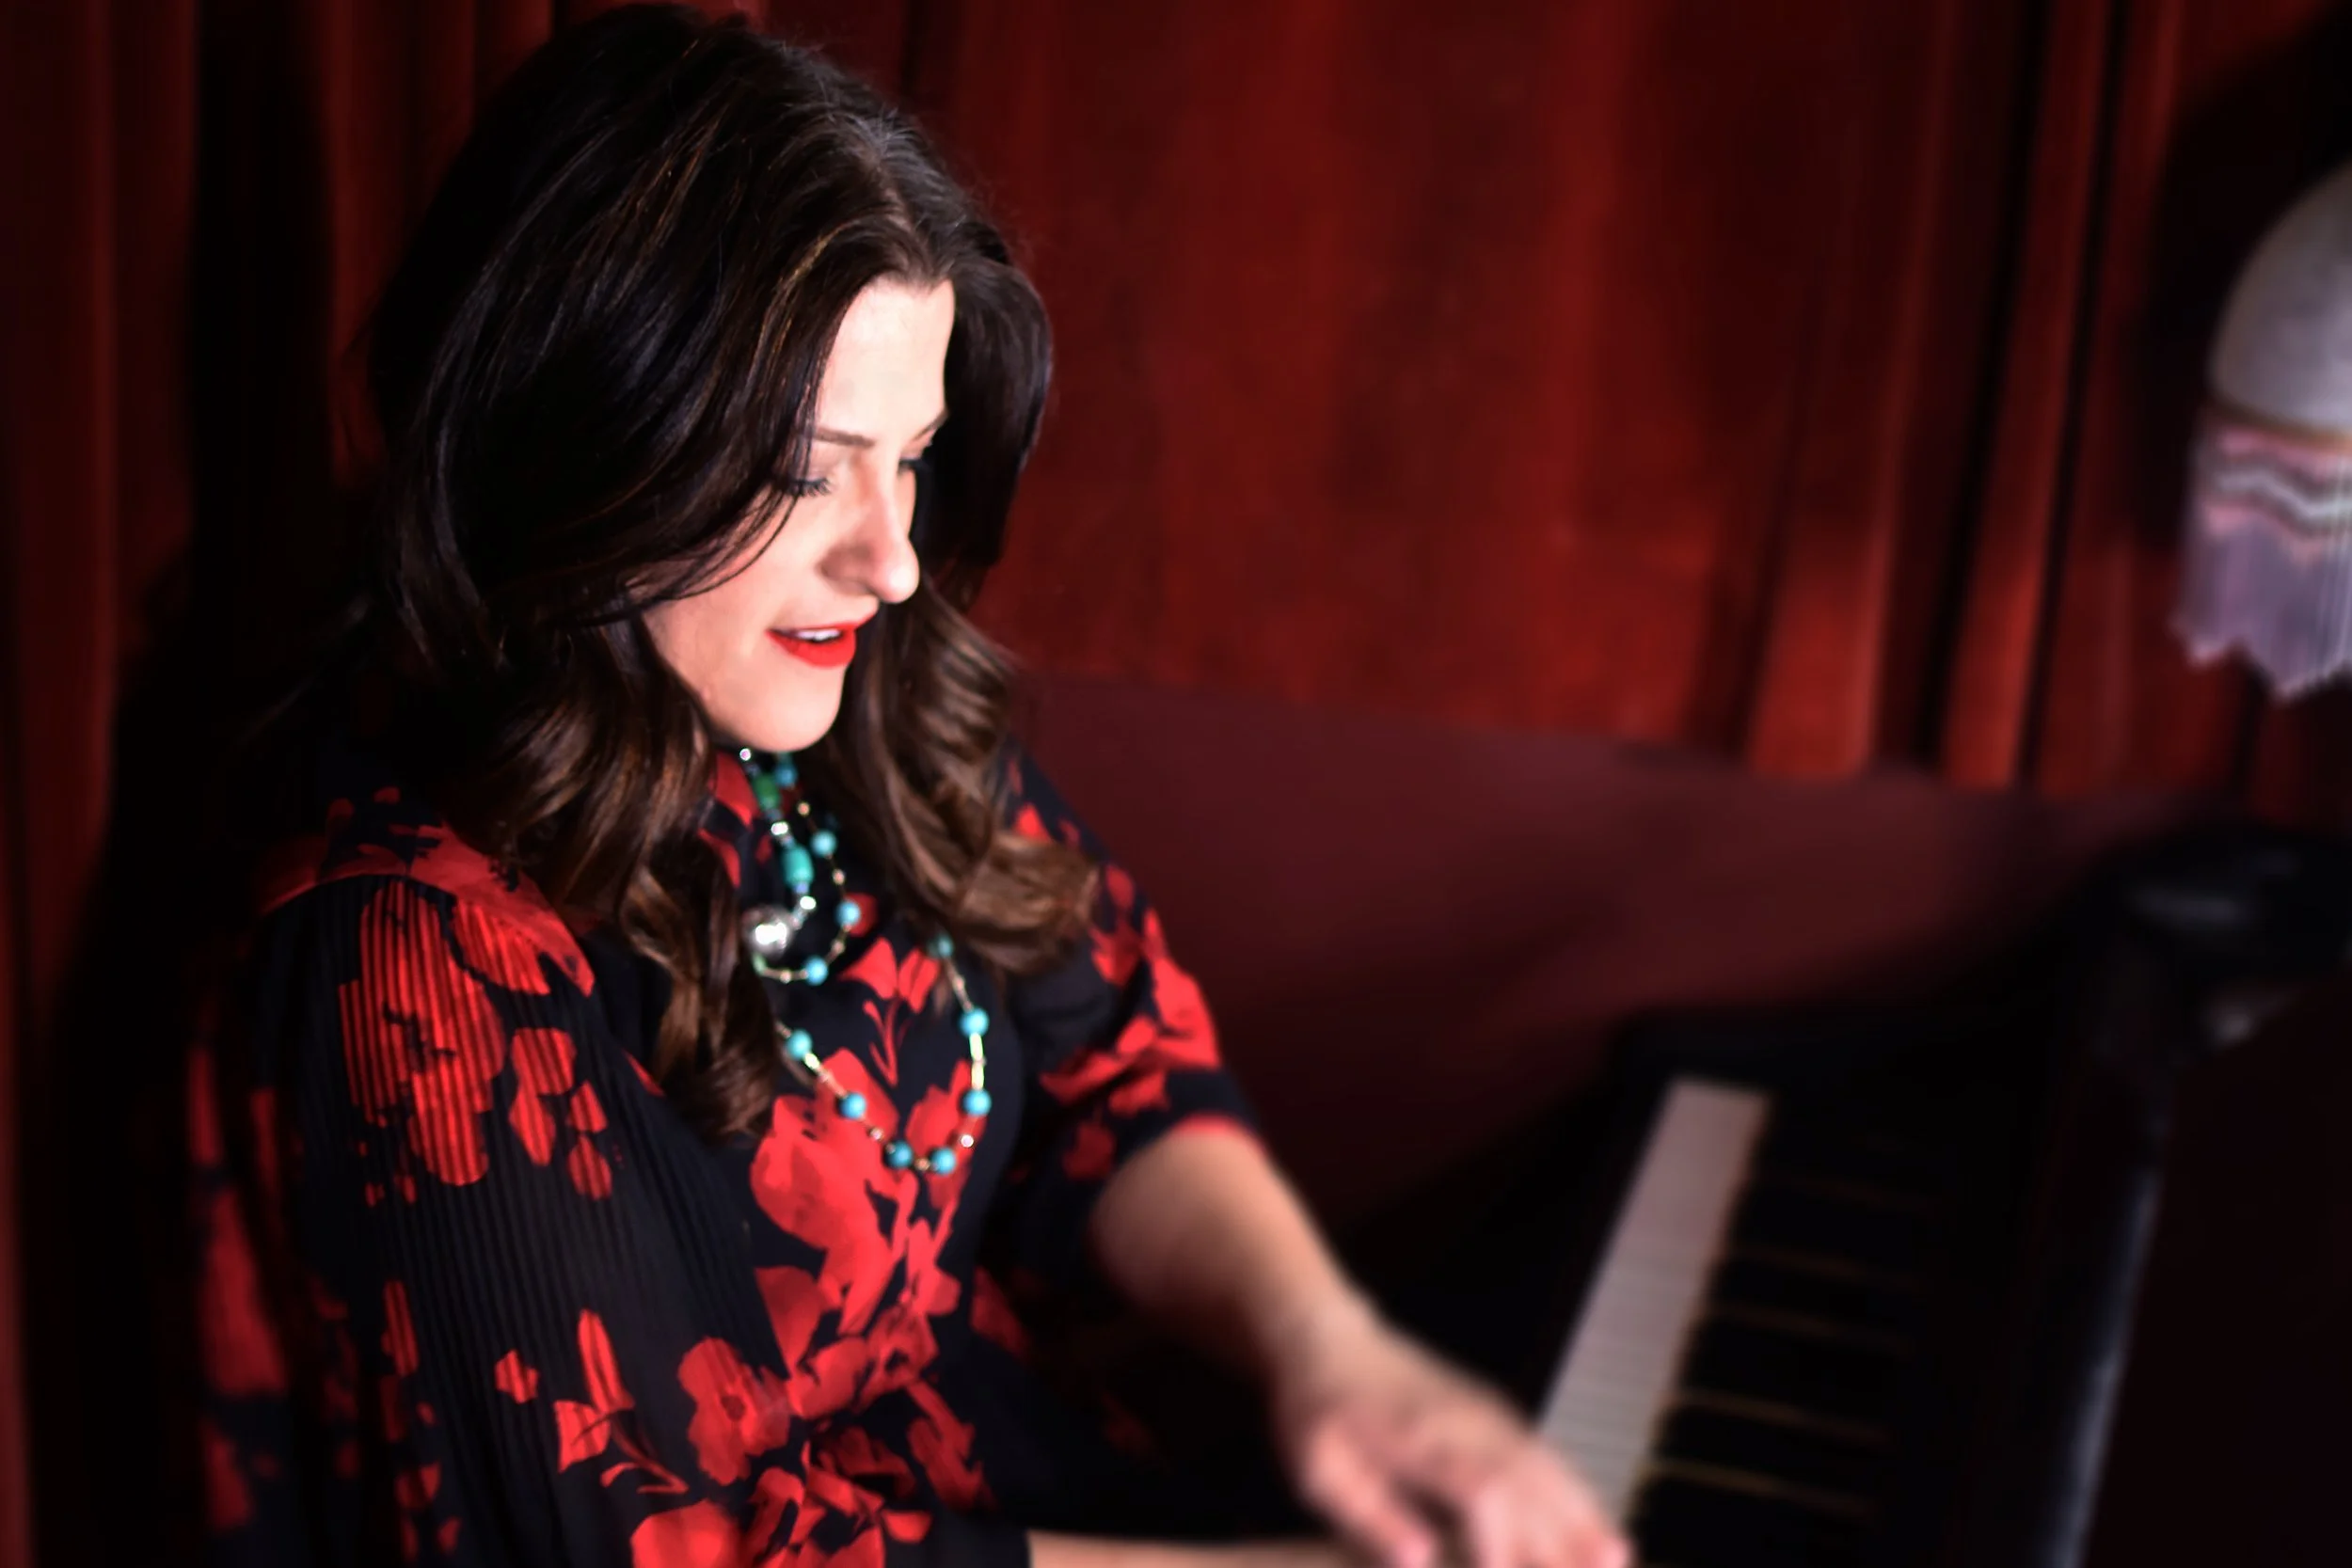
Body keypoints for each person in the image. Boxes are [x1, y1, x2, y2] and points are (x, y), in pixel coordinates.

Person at [185, 8, 1628, 1567]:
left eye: (914, 456)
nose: (890, 561)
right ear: (591, 435)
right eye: (805, 470)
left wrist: (1338, 1359)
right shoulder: (410, 949)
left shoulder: (839, 688)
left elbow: (1110, 1057)